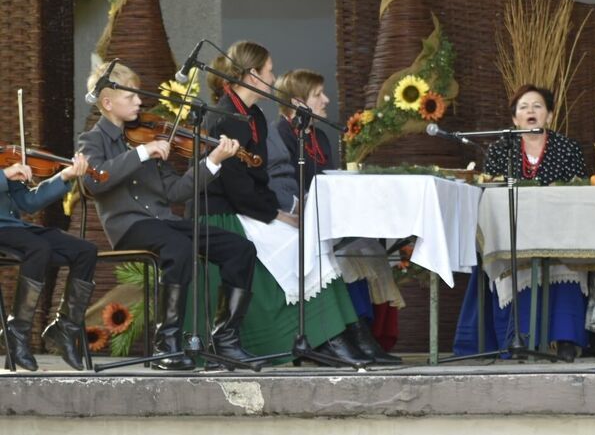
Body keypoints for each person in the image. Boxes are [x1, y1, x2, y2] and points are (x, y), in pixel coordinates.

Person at [79, 61, 259, 371]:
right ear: (107, 103)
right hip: (129, 227)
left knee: (240, 249)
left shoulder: (147, 136)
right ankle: (167, 345)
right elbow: (94, 181)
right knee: (177, 249)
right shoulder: (93, 141)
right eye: (131, 96)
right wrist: (141, 153)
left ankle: (226, 341)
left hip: (165, 223)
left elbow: (175, 192)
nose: (139, 101)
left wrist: (213, 161)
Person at [202, 41, 369, 366]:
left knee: (309, 241)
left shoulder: (254, 117)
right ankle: (325, 339)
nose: (273, 77)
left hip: (249, 208)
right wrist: (276, 214)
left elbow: (259, 177)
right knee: (298, 243)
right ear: (251, 75)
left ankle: (333, 336)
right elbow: (235, 187)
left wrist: (280, 213)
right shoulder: (224, 118)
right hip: (224, 214)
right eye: (269, 71)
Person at [268, 68, 400, 365]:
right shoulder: (279, 134)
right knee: (342, 253)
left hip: (326, 218)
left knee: (367, 248)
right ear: (298, 102)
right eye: (318, 95)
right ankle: (349, 334)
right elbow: (284, 185)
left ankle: (364, 334)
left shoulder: (321, 137)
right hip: (295, 220)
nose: (326, 100)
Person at [453, 85, 588, 361]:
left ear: (549, 115)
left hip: (559, 230)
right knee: (512, 268)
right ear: (514, 119)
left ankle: (565, 340)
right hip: (511, 232)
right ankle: (519, 339)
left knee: (568, 266)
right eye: (524, 107)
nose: (531, 111)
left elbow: (579, 189)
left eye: (538, 106)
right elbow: (489, 190)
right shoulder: (501, 150)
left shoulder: (568, 148)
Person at [1, 153, 95, 370]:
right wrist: (4, 175)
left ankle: (64, 329)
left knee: (85, 251)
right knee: (38, 247)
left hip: (16, 228)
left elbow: (29, 202)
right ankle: (16, 332)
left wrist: (65, 175)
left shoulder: (4, 156)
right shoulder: (4, 168)